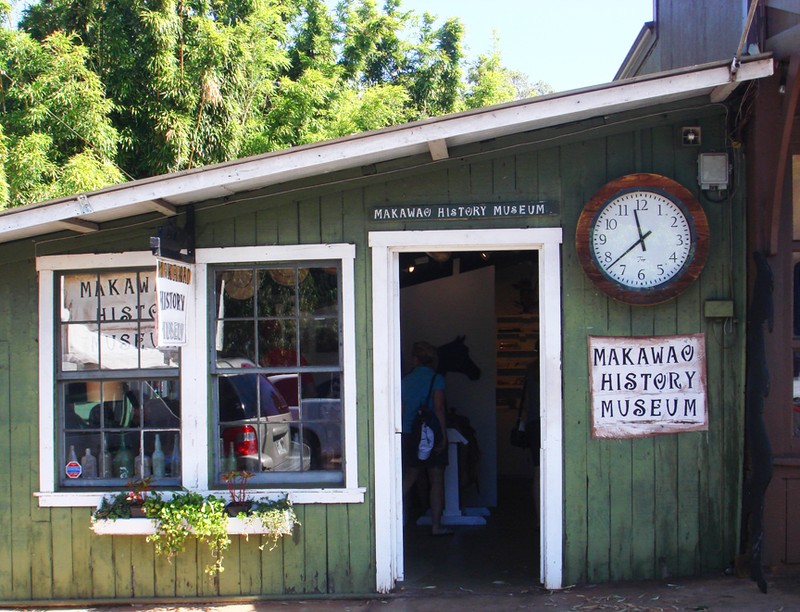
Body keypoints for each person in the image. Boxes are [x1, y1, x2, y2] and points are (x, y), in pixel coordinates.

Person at [401, 341, 452, 536]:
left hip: (408, 433)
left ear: (415, 359)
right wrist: (443, 435)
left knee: (410, 476)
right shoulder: (437, 379)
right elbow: (438, 408)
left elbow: (403, 409)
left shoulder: (405, 381)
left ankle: (390, 516)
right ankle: (436, 526)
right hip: (431, 433)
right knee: (436, 479)